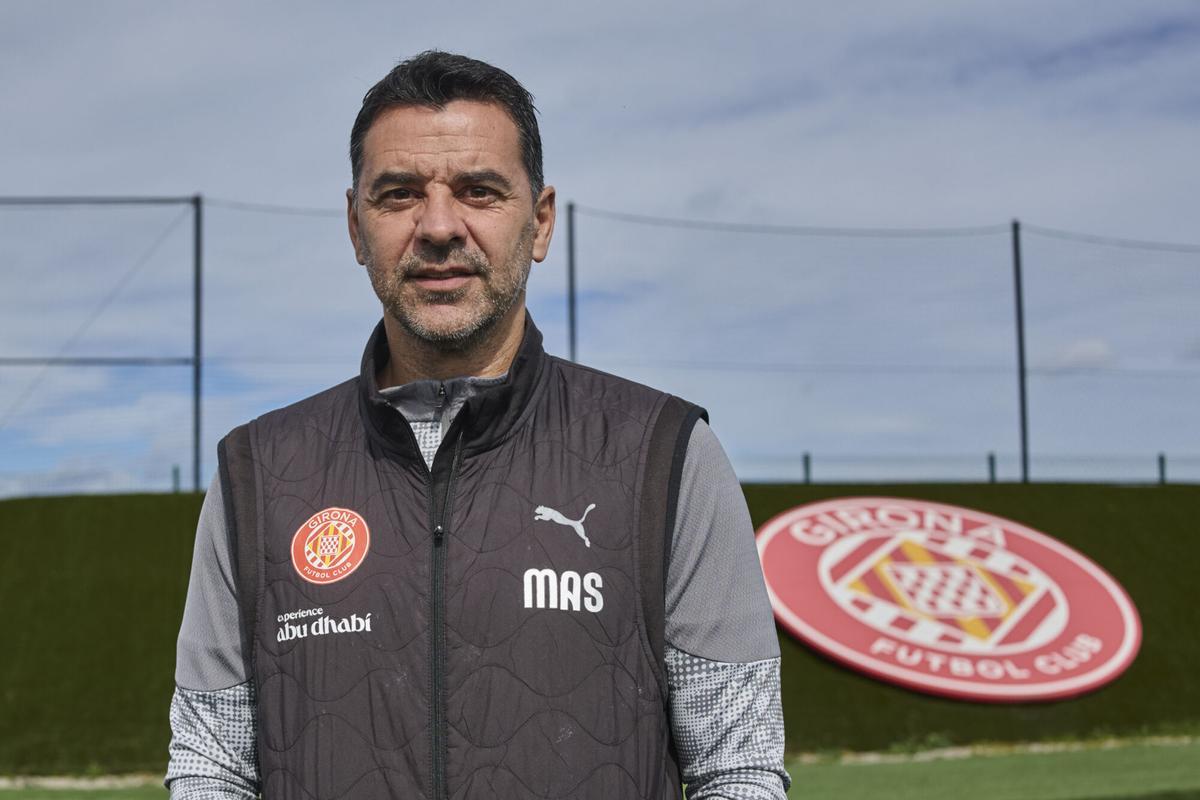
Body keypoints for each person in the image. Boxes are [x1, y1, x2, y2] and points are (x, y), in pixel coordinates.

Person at [166, 50, 789, 800]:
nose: (437, 226)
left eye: (479, 191)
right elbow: (211, 769)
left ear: (540, 221)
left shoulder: (667, 454)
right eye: (397, 194)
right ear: (356, 227)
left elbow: (738, 769)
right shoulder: (257, 474)